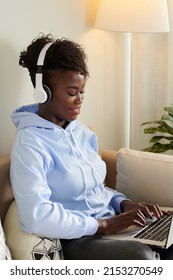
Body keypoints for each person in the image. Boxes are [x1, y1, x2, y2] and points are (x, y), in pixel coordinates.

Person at [10, 33, 170, 260]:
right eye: (72, 93)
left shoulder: (83, 133)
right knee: (142, 257)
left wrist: (123, 203)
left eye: (82, 91)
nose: (80, 100)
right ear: (42, 91)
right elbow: (36, 216)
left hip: (111, 227)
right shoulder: (30, 144)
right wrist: (103, 224)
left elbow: (94, 189)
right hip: (77, 238)